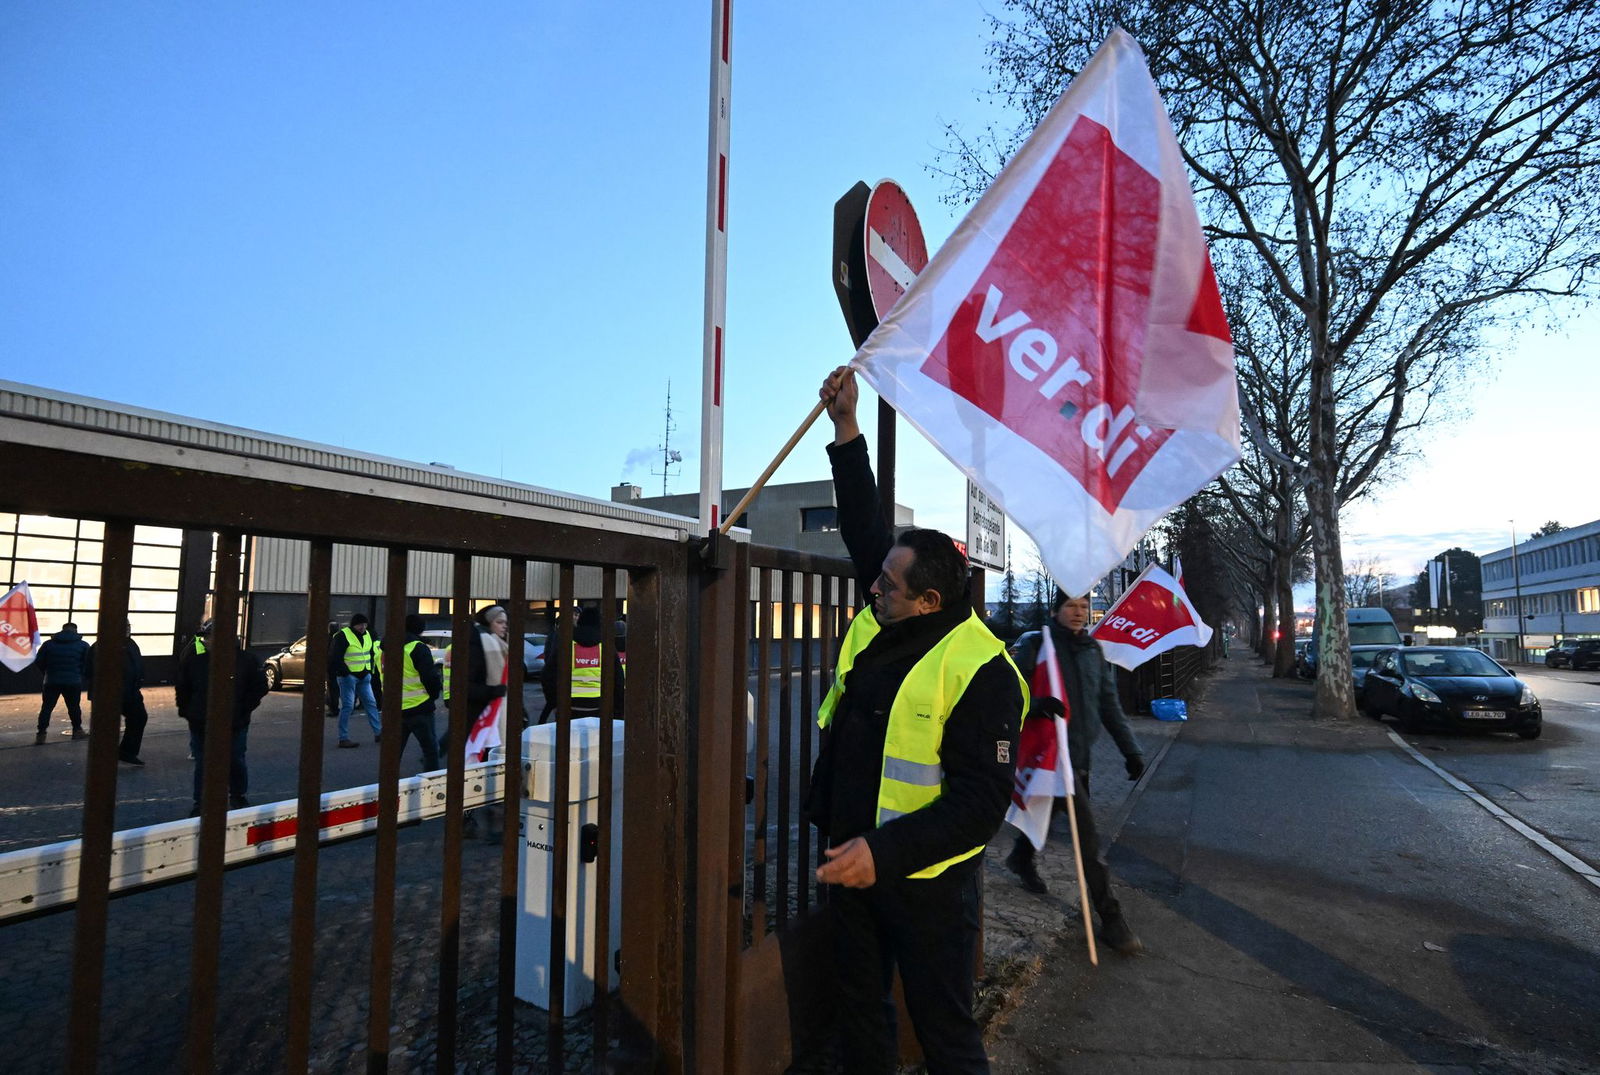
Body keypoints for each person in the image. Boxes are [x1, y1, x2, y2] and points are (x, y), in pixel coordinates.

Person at [807, 366, 1024, 1074]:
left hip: (926, 882)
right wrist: (846, 427)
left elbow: (979, 806)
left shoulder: (983, 669)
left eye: (888, 585)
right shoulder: (887, 612)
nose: (872, 586)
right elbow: (868, 529)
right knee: (861, 1014)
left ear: (929, 601)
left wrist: (885, 853)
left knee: (946, 1032)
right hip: (853, 859)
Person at [1004, 589, 1146, 955]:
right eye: (1071, 606)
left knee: (1047, 815)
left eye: (1084, 606)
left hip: (1078, 760)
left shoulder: (1092, 652)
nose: (1079, 612)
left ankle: (1020, 857)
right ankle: (1112, 920)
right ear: (1056, 609)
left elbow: (1109, 704)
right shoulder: (1039, 645)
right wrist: (1037, 706)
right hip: (1048, 758)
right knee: (1089, 846)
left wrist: (1131, 750)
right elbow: (1009, 694)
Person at [175, 623, 269, 814]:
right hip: (203, 721)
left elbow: (259, 687)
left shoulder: (245, 661)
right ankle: (202, 801)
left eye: (208, 637)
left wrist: (242, 709)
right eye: (205, 637)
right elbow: (183, 688)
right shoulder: (196, 662)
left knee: (234, 759)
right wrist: (188, 711)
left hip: (233, 721)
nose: (205, 641)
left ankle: (236, 795)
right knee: (204, 762)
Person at [444, 605, 511, 840]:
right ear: (489, 623)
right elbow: (465, 687)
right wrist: (494, 691)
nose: (504, 626)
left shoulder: (498, 645)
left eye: (505, 622)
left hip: (496, 720)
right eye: (499, 621)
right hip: (479, 721)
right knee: (473, 769)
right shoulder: (479, 645)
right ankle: (465, 818)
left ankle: (495, 822)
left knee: (496, 768)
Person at [539, 606, 625, 722]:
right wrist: (617, 711)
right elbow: (618, 680)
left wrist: (555, 702)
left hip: (570, 705)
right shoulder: (606, 646)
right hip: (598, 705)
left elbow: (547, 676)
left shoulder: (566, 644)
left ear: (580, 621)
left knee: (567, 739)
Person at [85, 621, 149, 765]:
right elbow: (90, 670)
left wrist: (138, 681)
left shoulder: (130, 644)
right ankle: (104, 756)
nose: (127, 629)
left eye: (128, 626)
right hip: (108, 694)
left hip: (130, 692)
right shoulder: (102, 646)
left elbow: (137, 664)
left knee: (139, 717)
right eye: (124, 626)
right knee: (107, 725)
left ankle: (126, 751)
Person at [392, 613, 443, 770]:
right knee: (430, 751)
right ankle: (432, 788)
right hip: (419, 706)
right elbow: (430, 677)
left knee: (392, 752)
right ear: (420, 629)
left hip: (394, 707)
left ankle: (387, 787)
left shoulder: (386, 647)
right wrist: (433, 696)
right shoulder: (417, 648)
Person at [330, 613, 381, 748]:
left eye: (365, 624)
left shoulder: (368, 634)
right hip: (350, 677)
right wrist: (346, 672)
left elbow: (370, 653)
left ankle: (379, 733)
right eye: (360, 625)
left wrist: (368, 672)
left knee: (370, 703)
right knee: (348, 706)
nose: (363, 627)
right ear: (353, 625)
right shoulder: (343, 636)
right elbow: (336, 657)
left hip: (363, 675)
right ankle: (343, 738)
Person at [35, 621, 90, 743]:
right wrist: (80, 674)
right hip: (73, 681)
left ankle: (41, 734)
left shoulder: (48, 644)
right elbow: (88, 663)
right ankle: (77, 731)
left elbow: (39, 661)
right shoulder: (83, 645)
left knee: (47, 708)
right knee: (74, 707)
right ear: (75, 631)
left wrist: (47, 672)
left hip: (51, 681)